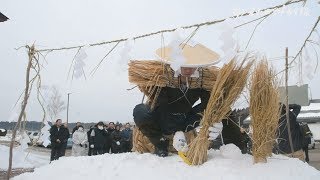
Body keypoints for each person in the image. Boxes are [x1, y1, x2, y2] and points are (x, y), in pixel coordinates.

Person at [132, 43, 223, 157]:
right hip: (160, 116)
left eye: (192, 65)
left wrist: (214, 119)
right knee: (139, 110)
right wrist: (175, 131)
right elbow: (162, 104)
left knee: (211, 107)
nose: (188, 69)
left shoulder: (201, 81)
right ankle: (160, 143)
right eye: (184, 65)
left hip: (184, 118)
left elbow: (208, 104)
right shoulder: (163, 78)